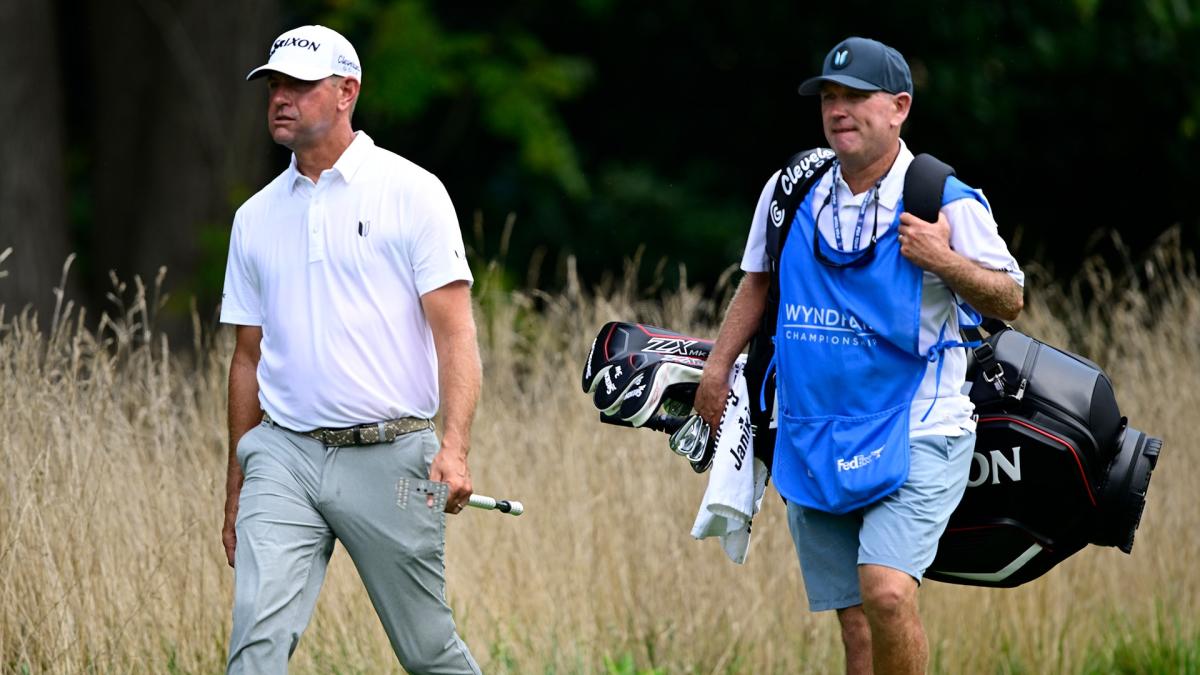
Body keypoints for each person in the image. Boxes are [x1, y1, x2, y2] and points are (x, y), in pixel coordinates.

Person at [693, 37, 1024, 675]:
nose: (838, 110)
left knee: (887, 594)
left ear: (899, 107)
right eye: (829, 98)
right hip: (813, 430)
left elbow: (1011, 298)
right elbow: (757, 283)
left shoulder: (943, 197)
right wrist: (718, 367)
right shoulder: (792, 189)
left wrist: (944, 261)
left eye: (855, 98)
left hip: (918, 428)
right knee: (856, 623)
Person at [218, 25, 482, 674]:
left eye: (300, 85)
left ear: (346, 92)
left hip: (392, 455)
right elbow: (246, 358)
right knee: (255, 638)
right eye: (274, 85)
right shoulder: (254, 217)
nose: (281, 97)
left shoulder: (412, 192)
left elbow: (457, 335)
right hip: (283, 454)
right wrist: (237, 484)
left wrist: (453, 448)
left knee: (428, 650)